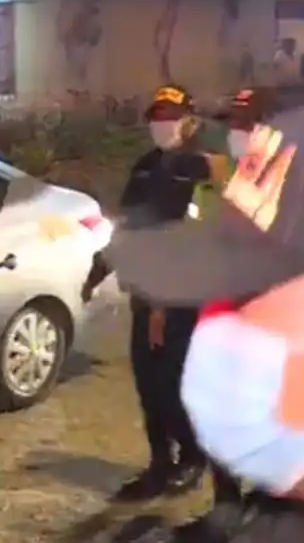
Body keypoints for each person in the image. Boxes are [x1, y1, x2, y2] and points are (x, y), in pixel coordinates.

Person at [107, 108, 304, 541]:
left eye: (249, 126)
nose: (240, 135)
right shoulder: (212, 179)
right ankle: (228, 505)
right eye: (235, 125)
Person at [112, 84, 218, 502]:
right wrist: (102, 264)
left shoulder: (198, 169)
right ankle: (160, 462)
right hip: (146, 294)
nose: (162, 124)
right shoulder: (145, 167)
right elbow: (130, 223)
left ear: (189, 121)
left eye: (171, 116)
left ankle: (192, 458)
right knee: (147, 384)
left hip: (179, 298)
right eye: (157, 116)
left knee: (172, 383)